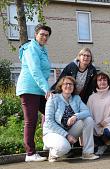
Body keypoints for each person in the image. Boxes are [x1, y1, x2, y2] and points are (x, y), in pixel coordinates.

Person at [16, 24, 52, 162]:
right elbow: (35, 71)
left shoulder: (42, 49)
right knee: (31, 121)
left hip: (38, 89)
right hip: (29, 89)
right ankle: (30, 154)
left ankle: (48, 142)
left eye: (46, 35)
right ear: (36, 35)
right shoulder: (31, 48)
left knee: (49, 113)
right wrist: (46, 89)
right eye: (41, 34)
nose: (44, 37)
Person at [43, 76, 99, 162]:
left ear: (74, 87)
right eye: (66, 84)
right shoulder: (53, 98)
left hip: (69, 131)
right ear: (61, 86)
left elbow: (87, 112)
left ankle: (87, 153)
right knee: (65, 147)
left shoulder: (76, 98)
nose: (68, 86)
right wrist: (67, 135)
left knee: (88, 120)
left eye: (71, 84)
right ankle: (53, 153)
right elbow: (49, 122)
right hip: (53, 133)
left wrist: (75, 116)